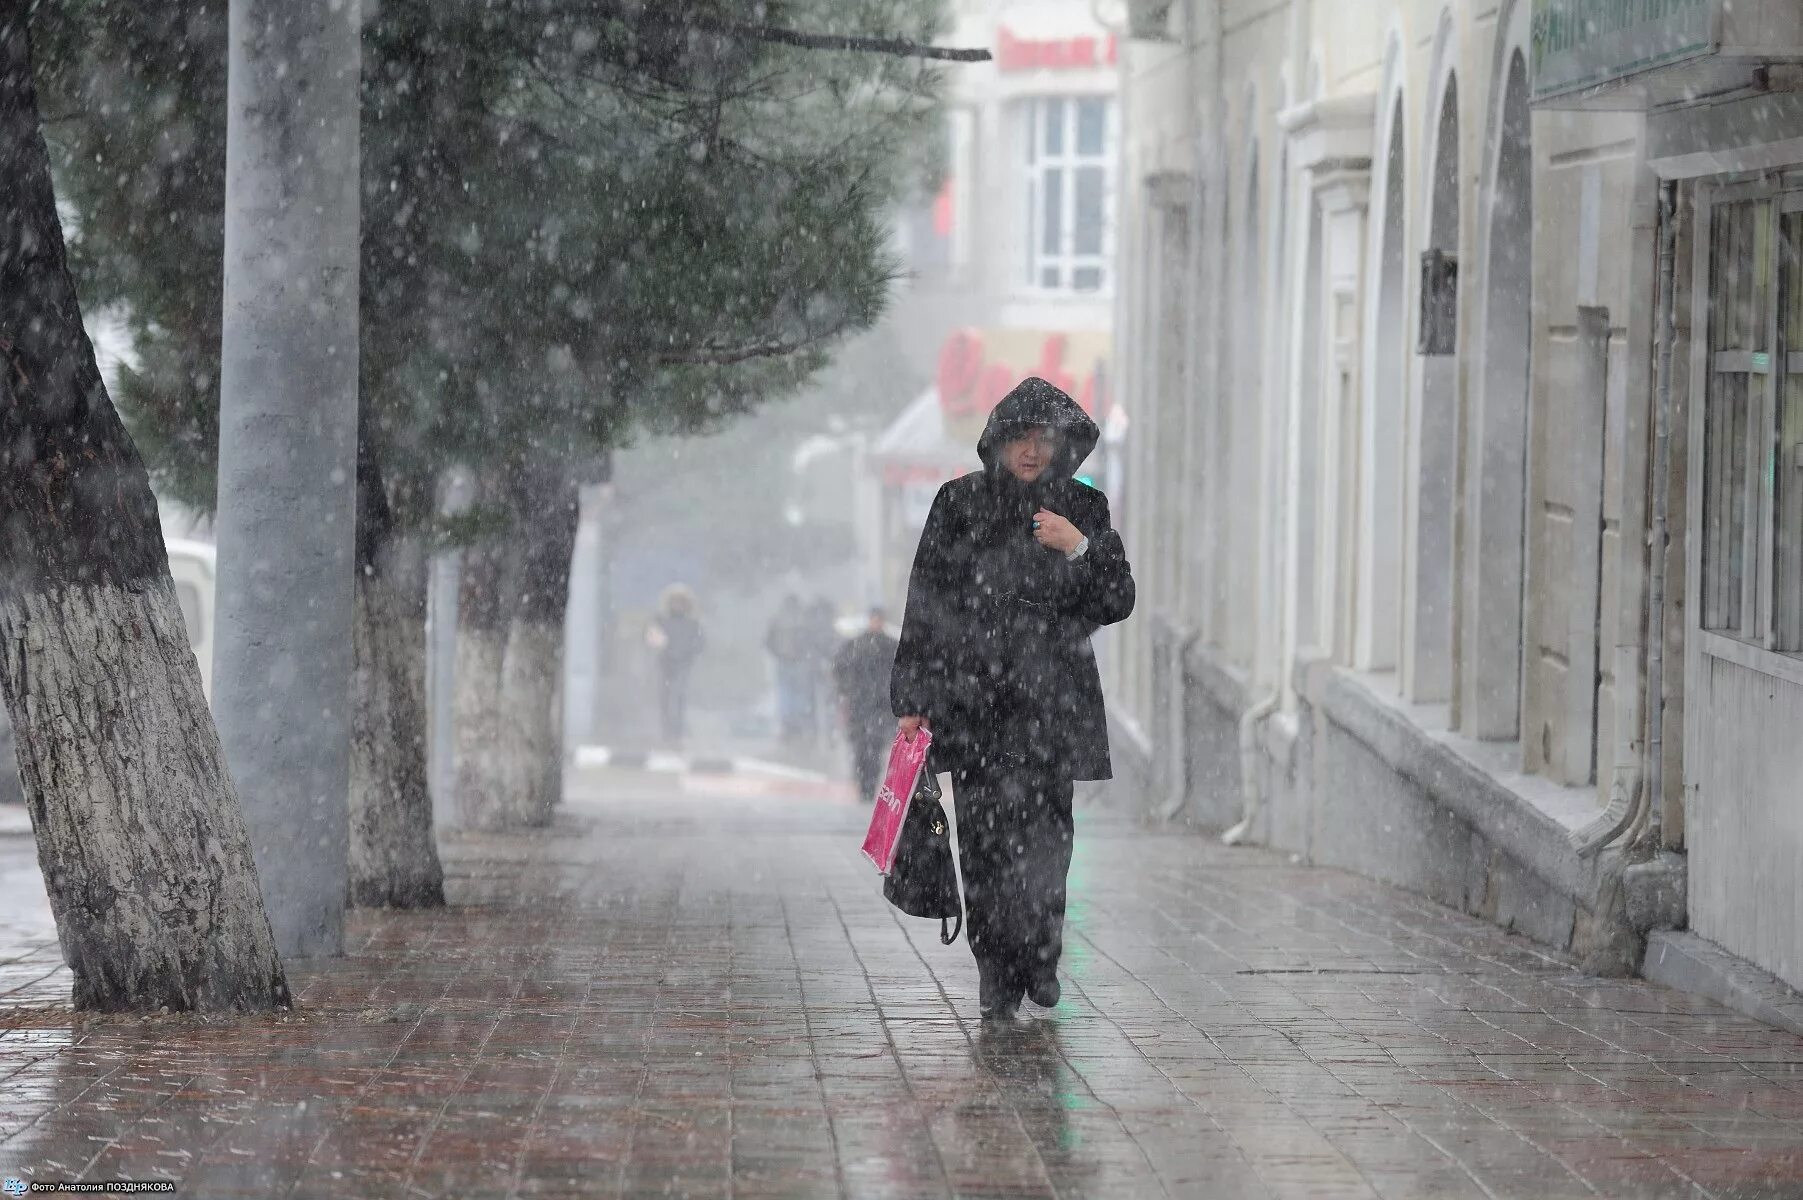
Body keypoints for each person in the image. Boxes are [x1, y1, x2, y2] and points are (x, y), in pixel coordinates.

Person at [890, 376, 1135, 1021]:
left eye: (1045, 438)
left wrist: (1077, 548)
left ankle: (1040, 960)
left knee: (1049, 846)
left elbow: (1116, 601)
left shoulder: (1084, 508)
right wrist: (914, 698)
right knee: (984, 847)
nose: (1033, 450)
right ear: (997, 441)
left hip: (1051, 705)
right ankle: (995, 974)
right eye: (1021, 437)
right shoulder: (958, 504)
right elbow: (926, 603)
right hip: (975, 707)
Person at [832, 607, 900, 802]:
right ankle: (863, 783)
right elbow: (839, 669)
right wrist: (847, 691)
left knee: (874, 746)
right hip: (860, 703)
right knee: (861, 746)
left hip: (879, 704)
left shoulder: (890, 646)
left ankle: (869, 784)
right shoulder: (856, 645)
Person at [647, 585, 705, 744]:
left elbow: (700, 642)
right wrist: (661, 647)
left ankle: (677, 732)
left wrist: (689, 652)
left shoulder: (692, 623)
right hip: (665, 663)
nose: (677, 605)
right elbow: (652, 638)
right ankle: (666, 731)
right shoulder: (660, 620)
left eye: (681, 602)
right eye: (674, 601)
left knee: (679, 697)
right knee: (664, 698)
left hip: (683, 664)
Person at [764, 595, 809, 744]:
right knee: (798, 693)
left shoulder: (777, 620)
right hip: (797, 662)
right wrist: (802, 654)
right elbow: (808, 640)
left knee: (785, 693)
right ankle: (797, 723)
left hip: (783, 661)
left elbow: (768, 641)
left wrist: (778, 654)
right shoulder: (802, 620)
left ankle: (787, 723)